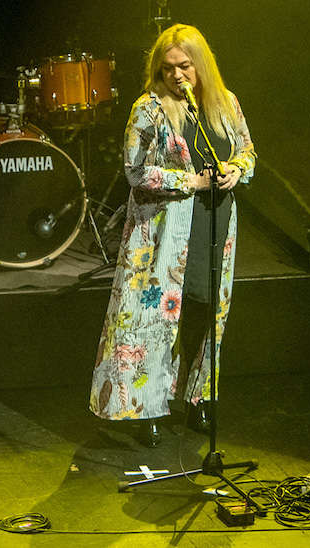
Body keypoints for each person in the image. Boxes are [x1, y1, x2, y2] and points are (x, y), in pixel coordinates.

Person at [88, 24, 257, 447]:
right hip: (162, 233)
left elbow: (248, 151)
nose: (177, 76)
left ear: (201, 65)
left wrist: (236, 170)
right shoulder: (148, 109)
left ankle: (198, 399)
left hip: (214, 225)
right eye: (168, 70)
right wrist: (190, 182)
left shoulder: (224, 103)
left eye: (185, 67)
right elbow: (134, 170)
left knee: (205, 314)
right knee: (156, 320)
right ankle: (146, 408)